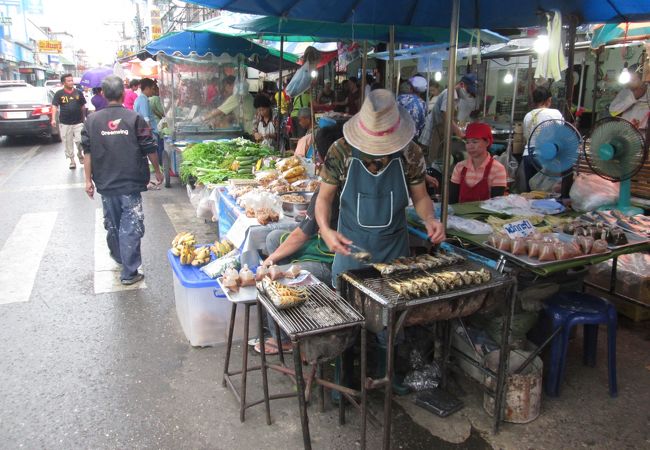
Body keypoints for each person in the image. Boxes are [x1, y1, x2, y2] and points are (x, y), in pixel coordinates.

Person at [316, 88, 445, 287]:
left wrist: (429, 219)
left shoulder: (410, 153)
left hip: (395, 255)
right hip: (351, 255)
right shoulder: (341, 151)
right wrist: (325, 229)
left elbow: (420, 197)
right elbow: (324, 198)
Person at [256, 125, 343, 355]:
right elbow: (307, 228)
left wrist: (270, 262)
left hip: (333, 261)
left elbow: (302, 234)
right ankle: (291, 312)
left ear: (324, 156)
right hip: (322, 242)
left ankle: (283, 338)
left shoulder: (333, 184)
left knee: (275, 280)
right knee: (274, 237)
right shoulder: (333, 176)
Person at [80, 75, 163, 285]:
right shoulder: (135, 118)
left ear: (104, 94)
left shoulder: (92, 121)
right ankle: (129, 271)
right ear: (122, 93)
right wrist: (158, 171)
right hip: (130, 182)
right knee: (131, 225)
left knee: (114, 224)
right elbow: (149, 147)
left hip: (105, 183)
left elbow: (86, 153)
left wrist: (87, 180)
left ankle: (120, 258)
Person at [419, 73, 478, 163]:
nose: (468, 94)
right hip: (436, 132)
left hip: (441, 132)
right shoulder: (450, 93)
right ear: (462, 85)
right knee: (434, 161)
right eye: (468, 90)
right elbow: (445, 114)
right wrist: (459, 132)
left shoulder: (455, 97)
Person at [448, 122, 507, 203]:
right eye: (468, 142)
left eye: (475, 142)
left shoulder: (498, 169)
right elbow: (452, 201)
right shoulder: (460, 167)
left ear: (487, 142)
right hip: (459, 215)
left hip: (487, 215)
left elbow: (496, 204)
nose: (470, 146)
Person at [519, 86, 564, 191]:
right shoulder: (554, 113)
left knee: (531, 191)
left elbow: (526, 135)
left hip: (528, 155)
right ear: (548, 100)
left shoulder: (528, 115)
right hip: (545, 155)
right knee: (547, 190)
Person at [51, 73, 87, 169]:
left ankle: (80, 154)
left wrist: (85, 118)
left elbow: (83, 106)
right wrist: (53, 119)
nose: (71, 82)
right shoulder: (59, 93)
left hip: (78, 122)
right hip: (65, 122)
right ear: (64, 83)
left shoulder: (78, 92)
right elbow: (54, 106)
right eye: (69, 81)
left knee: (80, 141)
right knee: (68, 143)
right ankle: (72, 160)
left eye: (72, 80)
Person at [609, 64, 649, 131]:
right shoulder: (625, 92)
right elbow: (612, 111)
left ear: (643, 80)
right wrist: (632, 98)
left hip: (643, 135)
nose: (630, 83)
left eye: (633, 80)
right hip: (626, 134)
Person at [149, 81, 166, 164]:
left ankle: (158, 162)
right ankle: (161, 162)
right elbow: (163, 112)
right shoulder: (156, 98)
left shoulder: (148, 98)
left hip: (153, 125)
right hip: (158, 124)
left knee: (156, 145)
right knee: (160, 144)